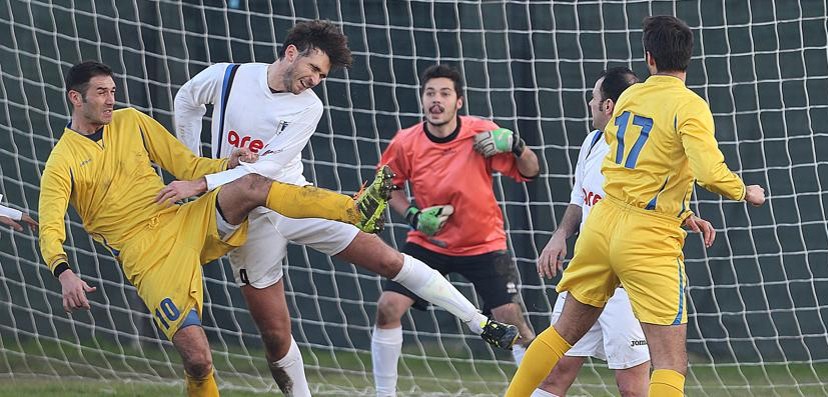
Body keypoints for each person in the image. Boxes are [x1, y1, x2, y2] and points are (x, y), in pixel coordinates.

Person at [171, 20, 520, 396]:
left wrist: (202, 180)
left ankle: (479, 323)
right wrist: (196, 165)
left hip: (294, 203)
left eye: (322, 75)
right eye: (313, 69)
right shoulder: (227, 77)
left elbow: (268, 168)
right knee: (275, 335)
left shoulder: (309, 107)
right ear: (291, 53)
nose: (316, 80)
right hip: (246, 221)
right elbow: (187, 100)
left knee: (387, 260)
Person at [39, 60, 394, 397]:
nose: (111, 100)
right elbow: (50, 225)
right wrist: (63, 271)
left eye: (113, 91)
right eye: (101, 92)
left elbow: (185, 163)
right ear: (76, 97)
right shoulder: (62, 161)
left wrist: (227, 163)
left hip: (183, 218)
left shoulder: (130, 120)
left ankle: (352, 209)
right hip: (147, 255)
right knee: (197, 359)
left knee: (252, 184)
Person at [505, 16, 766, 397]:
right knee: (670, 364)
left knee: (560, 335)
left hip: (602, 224)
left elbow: (623, 154)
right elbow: (710, 173)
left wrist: (681, 209)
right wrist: (746, 191)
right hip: (648, 236)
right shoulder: (690, 106)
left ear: (649, 58)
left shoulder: (630, 97)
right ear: (688, 59)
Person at [533, 67, 716, 397]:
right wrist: (560, 234)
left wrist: (684, 214)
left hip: (626, 281)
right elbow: (581, 197)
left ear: (608, 106)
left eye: (593, 98)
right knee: (554, 373)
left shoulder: (649, 144)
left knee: (632, 386)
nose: (589, 103)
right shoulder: (591, 141)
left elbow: (654, 201)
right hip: (590, 265)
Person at [370, 64, 540, 396]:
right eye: (430, 93)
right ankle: (383, 393)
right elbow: (386, 186)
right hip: (428, 243)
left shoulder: (480, 134)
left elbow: (531, 171)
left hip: (484, 244)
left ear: (458, 101)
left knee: (513, 321)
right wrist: (414, 217)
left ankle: (539, 392)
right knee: (387, 308)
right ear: (422, 99)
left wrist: (517, 145)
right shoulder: (406, 142)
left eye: (445, 93)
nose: (436, 100)